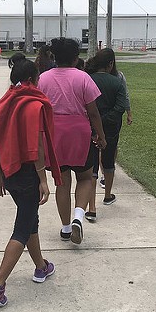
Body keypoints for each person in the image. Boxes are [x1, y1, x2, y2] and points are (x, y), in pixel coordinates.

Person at [0, 59, 62, 306]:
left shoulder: (4, 102)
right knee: (22, 227)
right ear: (32, 79)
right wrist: (43, 179)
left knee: (30, 220)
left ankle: (41, 267)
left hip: (9, 171)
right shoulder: (33, 105)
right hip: (27, 173)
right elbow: (36, 147)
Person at [37, 38, 106, 245]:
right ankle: (78, 216)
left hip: (54, 133)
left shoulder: (43, 79)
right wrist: (100, 136)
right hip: (80, 132)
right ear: (76, 58)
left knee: (62, 182)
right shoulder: (83, 78)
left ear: (54, 57)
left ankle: (66, 228)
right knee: (85, 178)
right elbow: (93, 112)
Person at [84, 49, 128, 221]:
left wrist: (96, 121)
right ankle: (108, 194)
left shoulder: (88, 80)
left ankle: (92, 207)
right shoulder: (117, 83)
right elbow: (120, 107)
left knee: (91, 166)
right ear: (110, 64)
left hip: (90, 128)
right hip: (111, 128)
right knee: (108, 162)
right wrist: (105, 119)